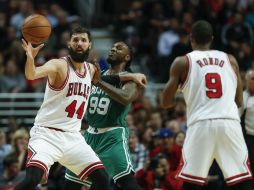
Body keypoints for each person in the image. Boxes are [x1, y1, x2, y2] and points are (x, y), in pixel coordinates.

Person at [14, 26, 110, 190]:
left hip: (73, 137)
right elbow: (32, 74)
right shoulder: (59, 65)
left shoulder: (91, 69)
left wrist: (131, 75)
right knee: (32, 179)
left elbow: (104, 80)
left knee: (102, 178)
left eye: (83, 40)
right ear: (69, 44)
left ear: (90, 45)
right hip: (47, 134)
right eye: (75, 40)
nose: (79, 43)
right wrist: (30, 58)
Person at [161, 20, 253, 190]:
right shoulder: (230, 59)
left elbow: (166, 103)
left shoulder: (182, 62)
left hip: (201, 124)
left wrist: (187, 93)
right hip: (229, 123)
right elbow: (239, 100)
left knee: (192, 182)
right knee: (242, 180)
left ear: (191, 38)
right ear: (211, 38)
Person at [64, 42, 145, 190]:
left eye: (119, 48)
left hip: (112, 135)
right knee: (72, 183)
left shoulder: (131, 78)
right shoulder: (101, 75)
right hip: (90, 134)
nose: (113, 49)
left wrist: (99, 83)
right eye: (112, 47)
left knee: (126, 182)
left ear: (127, 57)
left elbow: (126, 97)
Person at [239, 69, 254, 178]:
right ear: (246, 81)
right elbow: (236, 119)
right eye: (253, 79)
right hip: (249, 140)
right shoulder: (243, 97)